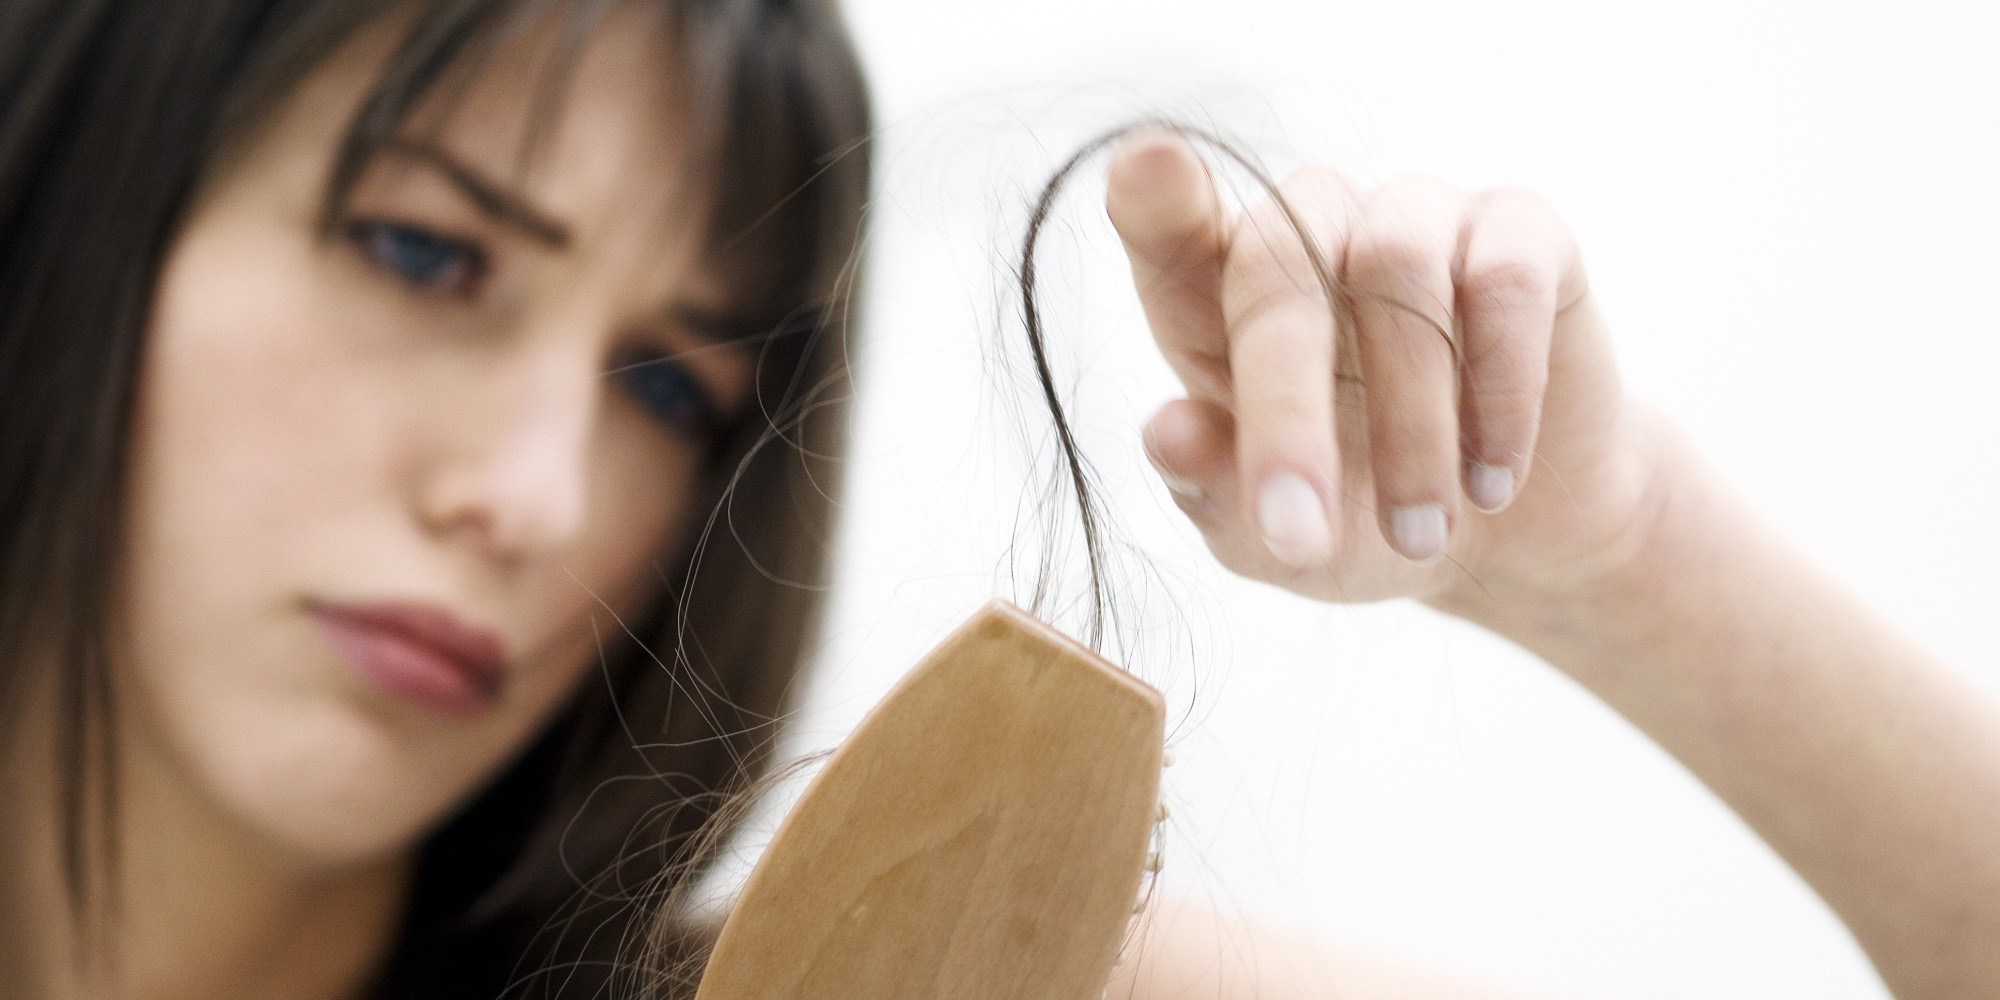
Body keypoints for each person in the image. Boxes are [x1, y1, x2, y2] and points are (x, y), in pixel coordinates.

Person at [0, 5, 1993, 1000]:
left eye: (679, 386)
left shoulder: (933, 973)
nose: (531, 495)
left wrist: (1620, 558)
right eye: (428, 256)